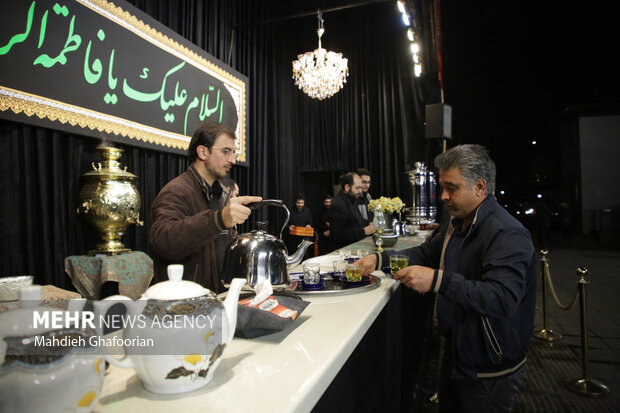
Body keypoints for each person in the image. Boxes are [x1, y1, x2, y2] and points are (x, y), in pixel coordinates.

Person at [355, 144, 536, 412]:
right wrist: (379, 260)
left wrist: (438, 281)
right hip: (460, 353)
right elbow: (425, 254)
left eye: (452, 188)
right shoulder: (460, 221)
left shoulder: (506, 233)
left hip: (489, 367)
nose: (443, 196)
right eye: (442, 188)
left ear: (479, 187)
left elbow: (503, 299)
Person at [149, 121, 262, 292]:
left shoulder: (219, 193)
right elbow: (163, 239)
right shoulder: (177, 190)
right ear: (202, 152)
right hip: (189, 308)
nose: (232, 160)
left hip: (218, 299)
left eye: (233, 153)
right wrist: (218, 220)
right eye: (226, 152)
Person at [329, 172, 375, 250]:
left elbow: (356, 220)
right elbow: (338, 235)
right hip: (344, 251)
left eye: (361, 188)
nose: (360, 191)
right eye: (357, 188)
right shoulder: (338, 204)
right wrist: (364, 231)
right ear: (347, 187)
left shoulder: (352, 199)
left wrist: (368, 223)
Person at [284, 193, 314, 259]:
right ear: (295, 202)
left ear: (304, 202)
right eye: (298, 203)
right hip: (293, 240)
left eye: (302, 203)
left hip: (304, 239)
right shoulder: (290, 211)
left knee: (305, 257)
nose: (300, 205)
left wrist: (309, 225)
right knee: (293, 256)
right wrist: (289, 227)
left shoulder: (307, 211)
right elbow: (284, 225)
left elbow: (310, 223)